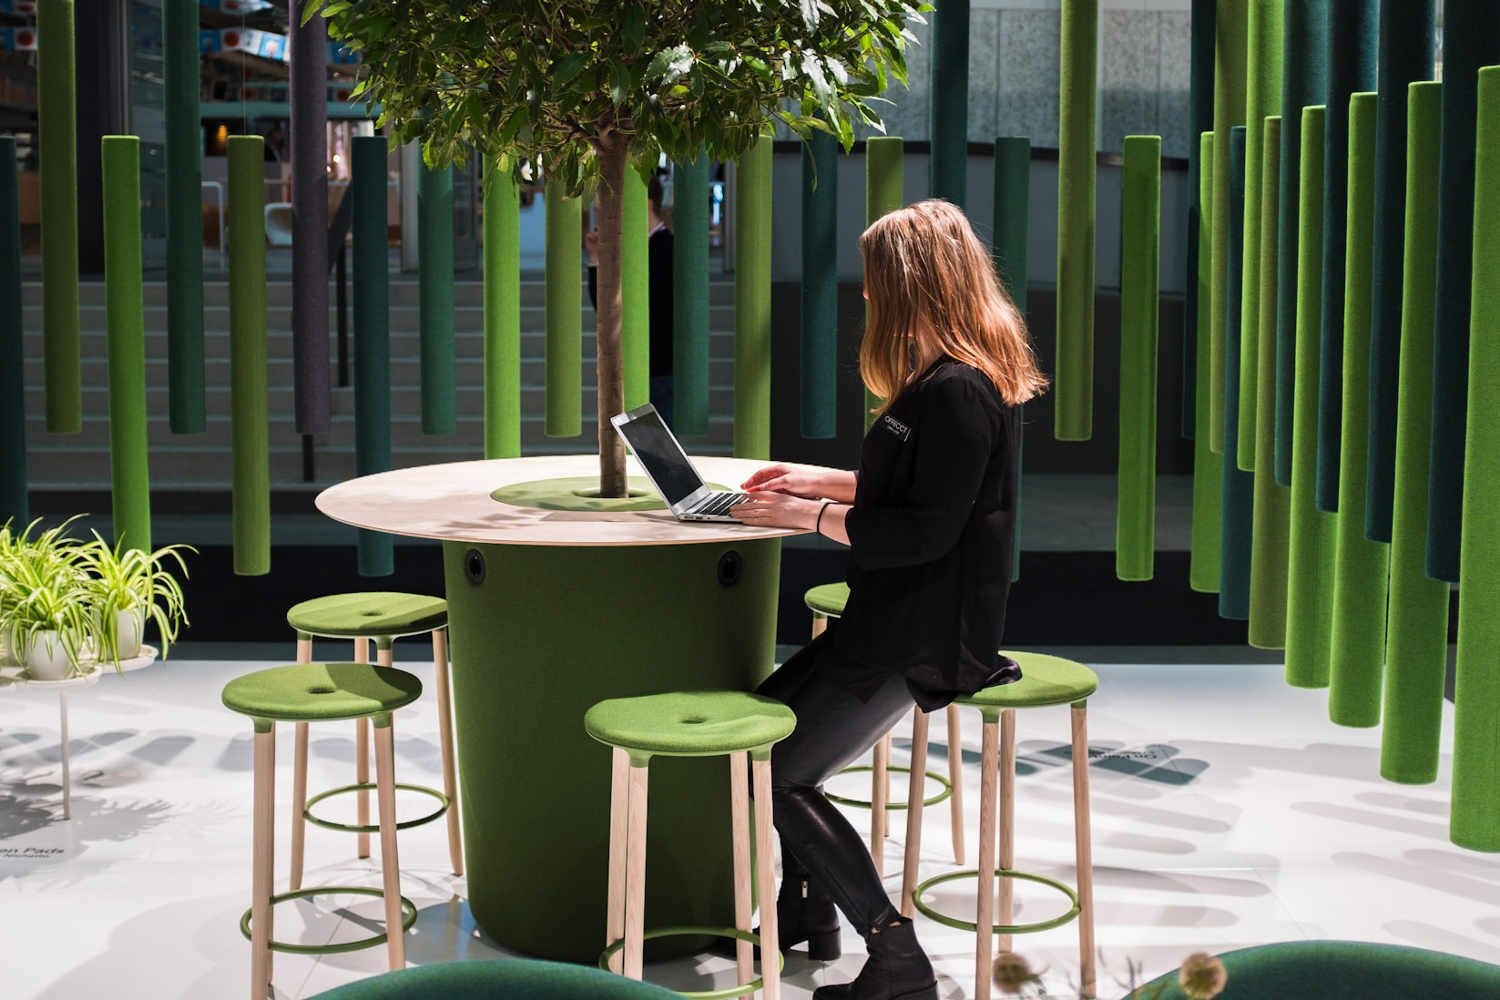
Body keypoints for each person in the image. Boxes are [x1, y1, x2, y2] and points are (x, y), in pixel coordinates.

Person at [727, 199, 1048, 1000]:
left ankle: (896, 956)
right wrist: (816, 481)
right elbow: (917, 490)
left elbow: (923, 533)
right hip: (889, 617)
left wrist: (806, 517)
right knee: (763, 738)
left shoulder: (959, 389)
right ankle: (810, 912)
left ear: (912, 282)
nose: (866, 294)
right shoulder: (944, 378)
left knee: (775, 771)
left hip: (917, 632)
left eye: (875, 279)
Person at [586, 173, 676, 424]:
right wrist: (597, 261)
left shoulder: (666, 250)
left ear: (645, 203)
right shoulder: (634, 251)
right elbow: (606, 312)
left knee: (652, 445)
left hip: (657, 370)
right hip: (635, 368)